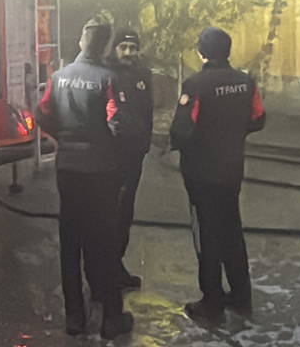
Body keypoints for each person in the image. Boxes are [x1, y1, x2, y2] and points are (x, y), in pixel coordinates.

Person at [37, 19, 135, 339]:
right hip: (101, 171)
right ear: (104, 46)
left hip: (68, 169)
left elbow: (42, 114)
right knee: (103, 244)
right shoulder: (109, 78)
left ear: (81, 41)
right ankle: (111, 319)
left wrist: (63, 139)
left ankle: (74, 318)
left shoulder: (58, 77)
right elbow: (117, 123)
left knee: (71, 242)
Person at [170, 27, 266, 322]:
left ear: (202, 52)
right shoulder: (245, 82)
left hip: (201, 171)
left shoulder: (196, 84)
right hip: (231, 168)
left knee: (206, 234)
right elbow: (258, 118)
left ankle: (211, 300)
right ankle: (240, 295)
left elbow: (182, 130)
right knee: (232, 229)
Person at [109, 28, 154, 291]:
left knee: (125, 213)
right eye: (123, 47)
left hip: (135, 155)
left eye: (132, 48)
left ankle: (116, 265)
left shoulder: (142, 75)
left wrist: (145, 142)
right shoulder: (107, 75)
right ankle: (105, 270)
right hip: (113, 156)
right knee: (110, 213)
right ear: (114, 48)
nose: (128, 52)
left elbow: (147, 110)